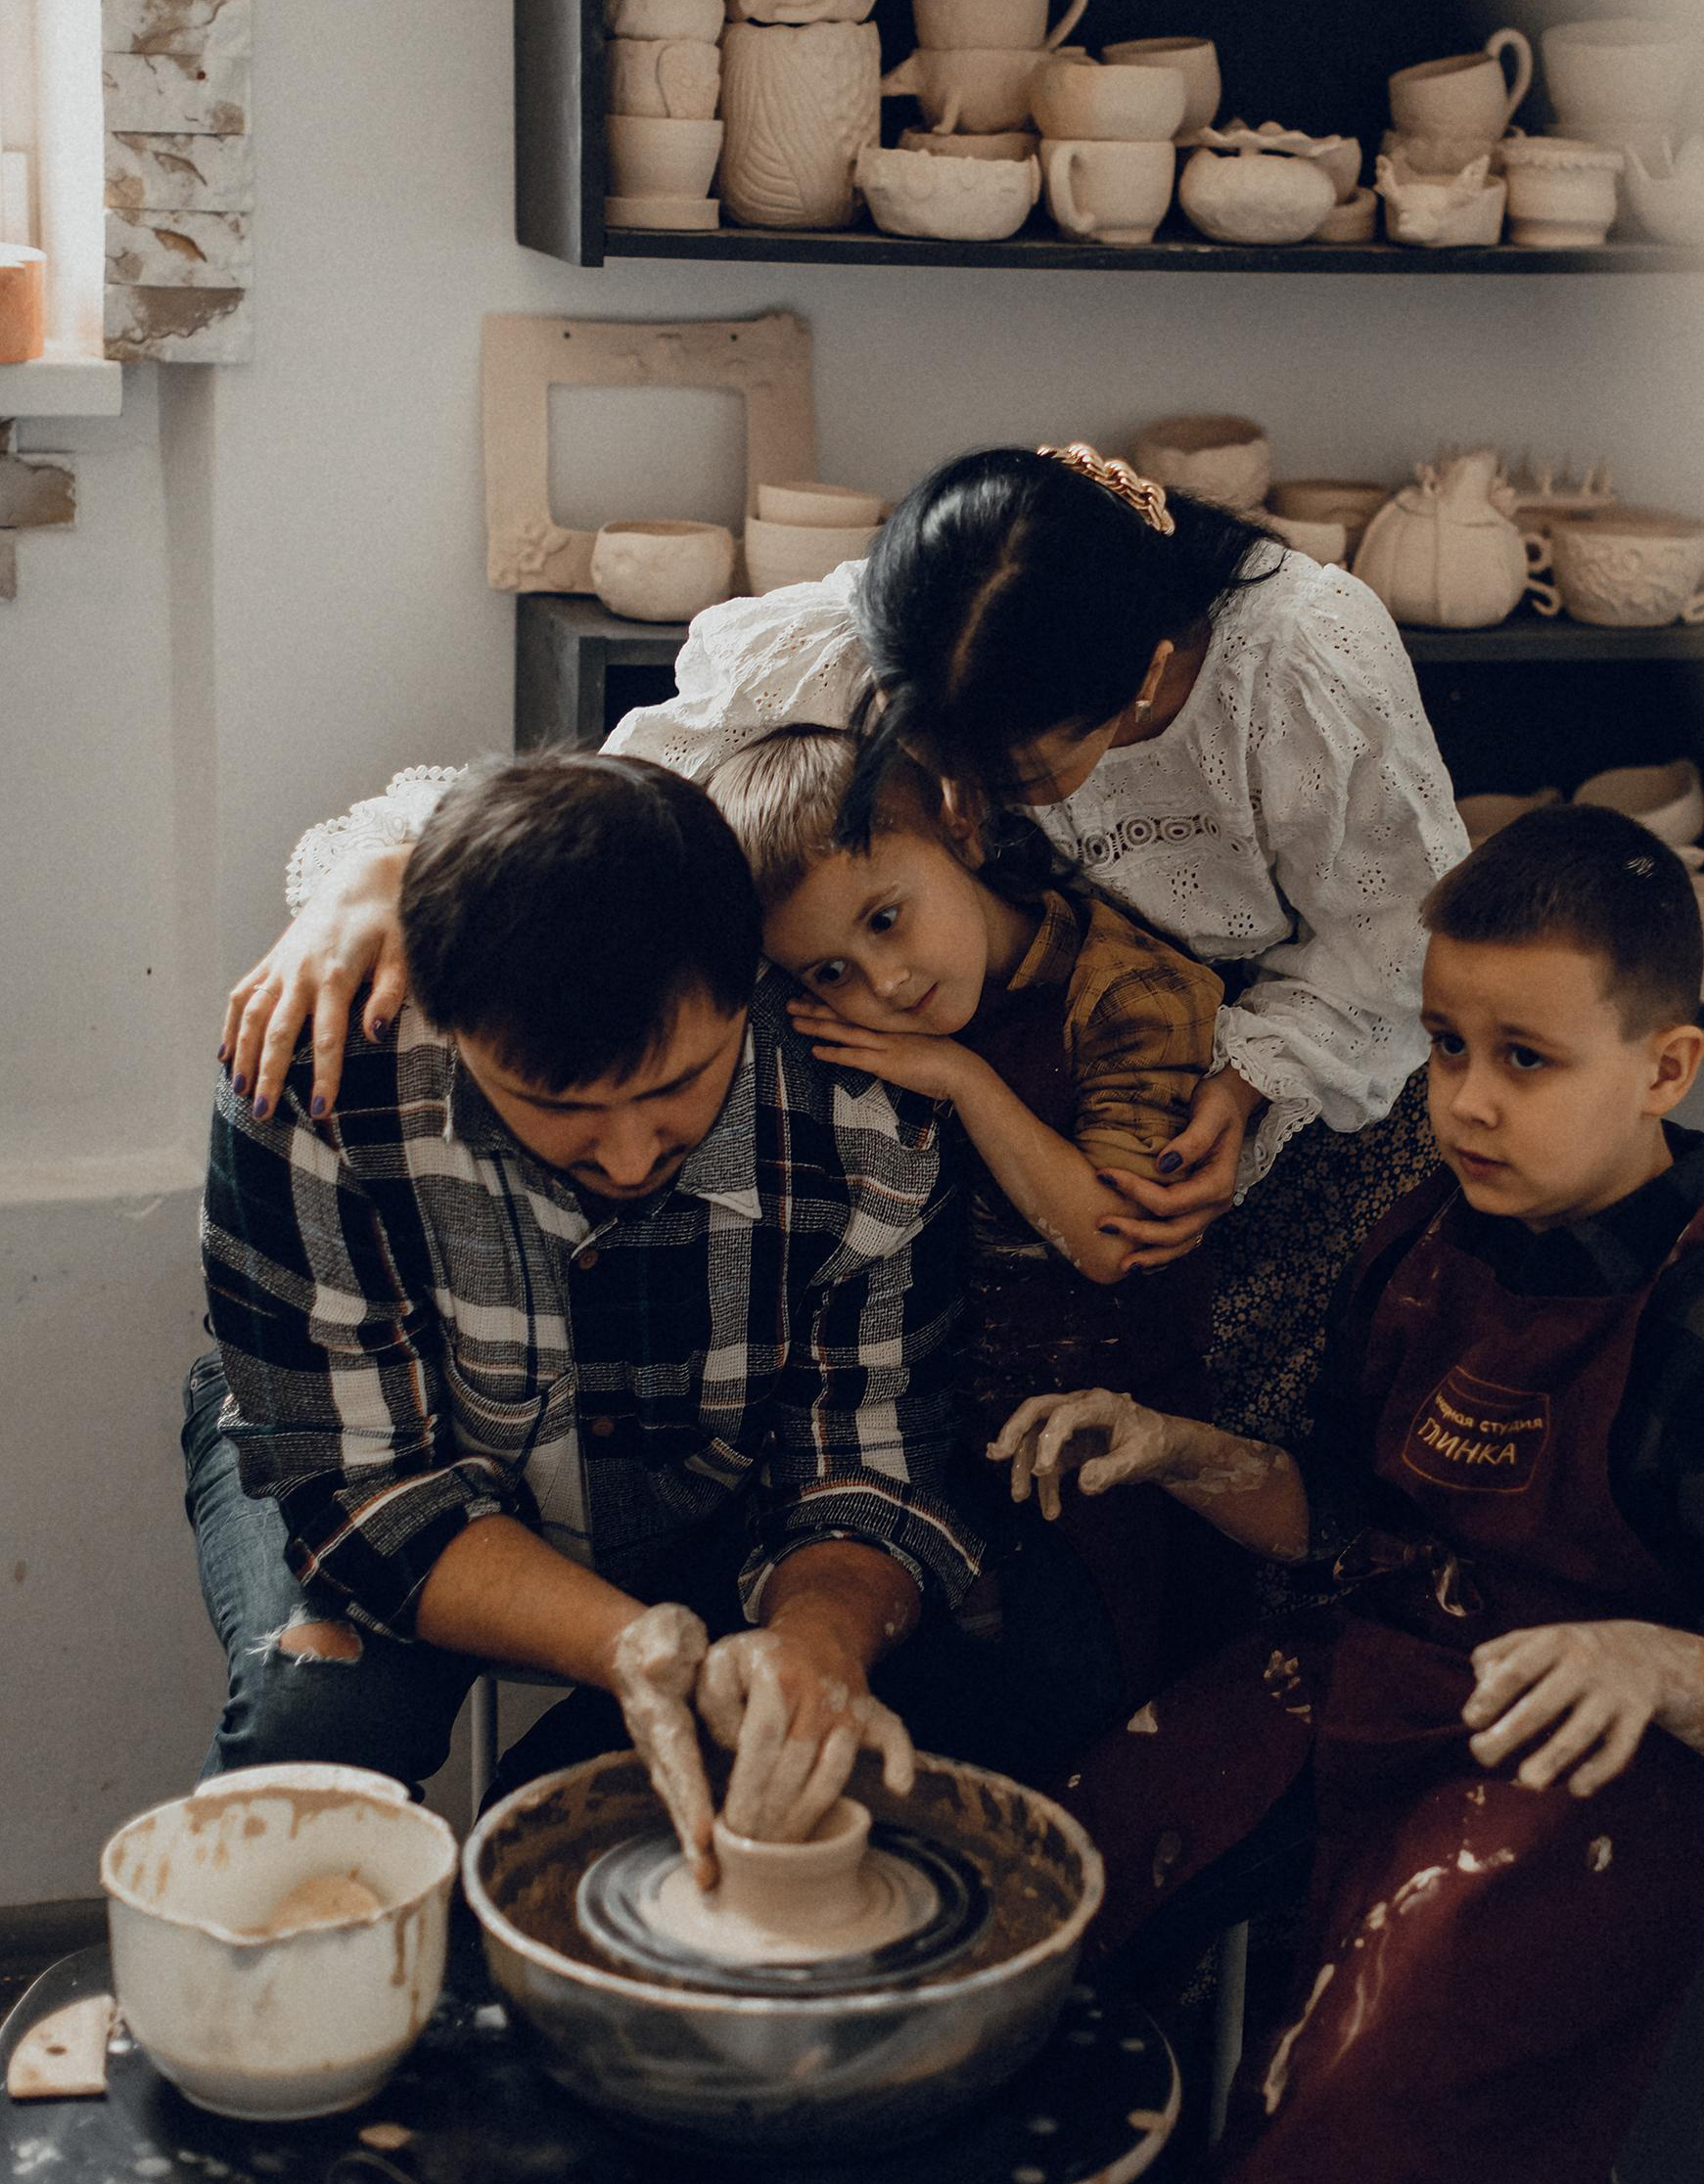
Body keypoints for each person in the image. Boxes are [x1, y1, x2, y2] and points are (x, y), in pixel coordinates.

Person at [990, 803, 1704, 2184]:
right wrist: (1175, 1450)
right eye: (1444, 1046)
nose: (1466, 1103)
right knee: (1063, 1892)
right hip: (1383, 1660)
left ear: (1668, 1068)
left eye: (1525, 1061)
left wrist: (1664, 1664)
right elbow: (1338, 1521)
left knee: (1378, 2058)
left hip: (1597, 1752)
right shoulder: (1425, 1238)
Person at [219, 443, 1468, 1459]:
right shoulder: (851, 640)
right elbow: (618, 810)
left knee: (1232, 1475)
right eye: (939, 768)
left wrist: (1255, 1076)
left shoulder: (1297, 659)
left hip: (1261, 1093)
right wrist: (380, 872)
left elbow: (1400, 935)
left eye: (1021, 776)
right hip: (988, 1087)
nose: (974, 811)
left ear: (1145, 677)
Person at [187, 749, 1118, 1863]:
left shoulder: (870, 1111)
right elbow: (367, 1493)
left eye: (678, 1085)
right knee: (318, 1721)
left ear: (751, 982)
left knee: (995, 1670)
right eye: (557, 1107)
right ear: (451, 1018)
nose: (629, 1154)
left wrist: (813, 1645)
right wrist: (628, 1642)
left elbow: (861, 1459)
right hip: (377, 1456)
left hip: (702, 1486)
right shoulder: (316, 1073)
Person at [707, 720, 1228, 1692]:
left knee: (1085, 1704)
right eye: (828, 972)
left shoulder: (1129, 989)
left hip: (1105, 1418)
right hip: (939, 1413)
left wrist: (961, 1077)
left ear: (962, 836)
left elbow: (1114, 1242)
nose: (884, 983)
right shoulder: (870, 1015)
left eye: (885, 918)